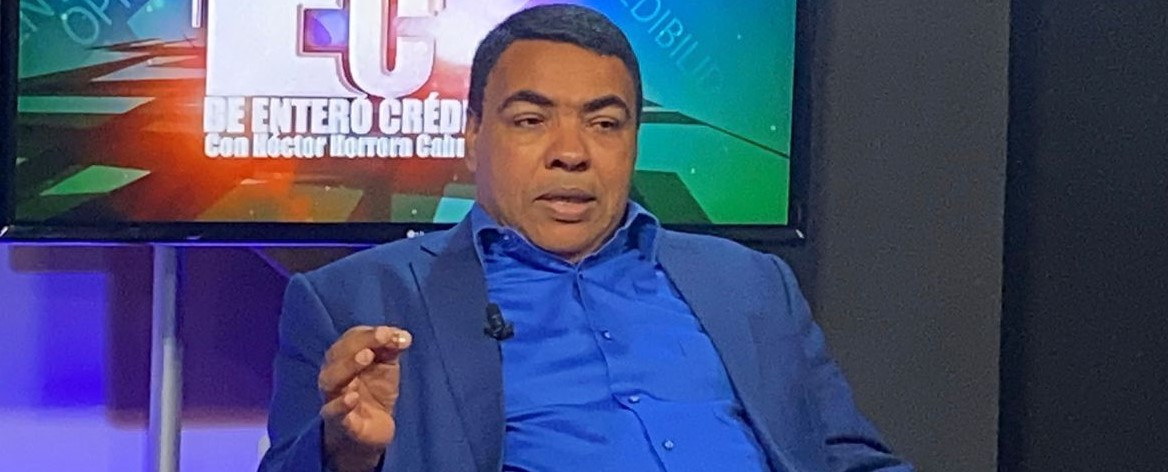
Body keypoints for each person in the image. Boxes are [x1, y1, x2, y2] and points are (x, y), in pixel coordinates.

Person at [259, 5, 912, 472]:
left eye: (604, 124)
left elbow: (847, 456)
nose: (570, 153)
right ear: (473, 136)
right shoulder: (355, 300)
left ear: (633, 142)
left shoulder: (750, 283)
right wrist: (348, 453)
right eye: (531, 120)